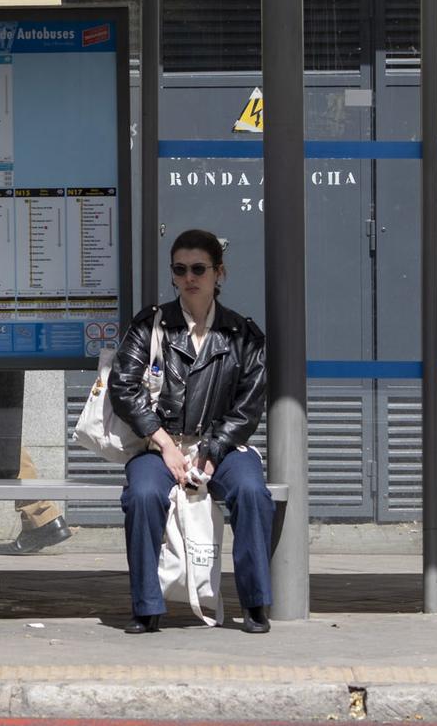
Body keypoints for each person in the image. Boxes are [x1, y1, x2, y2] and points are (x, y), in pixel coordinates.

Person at [109, 228, 274, 634]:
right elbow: (122, 386)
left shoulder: (243, 335)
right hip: (160, 444)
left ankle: (255, 603)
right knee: (143, 495)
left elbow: (249, 404)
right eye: (180, 269)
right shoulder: (150, 326)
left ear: (220, 273)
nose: (189, 278)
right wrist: (162, 442)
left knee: (253, 493)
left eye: (199, 268)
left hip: (222, 446)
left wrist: (213, 450)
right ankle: (146, 607)